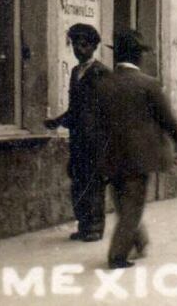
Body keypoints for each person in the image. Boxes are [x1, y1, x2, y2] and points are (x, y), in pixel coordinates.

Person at [98, 30, 177, 268]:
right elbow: (167, 119)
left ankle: (139, 240)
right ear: (138, 57)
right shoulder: (149, 84)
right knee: (133, 205)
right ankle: (117, 255)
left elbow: (93, 122)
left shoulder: (103, 82)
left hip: (111, 154)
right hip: (140, 156)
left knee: (121, 201)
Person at [45, 24, 111, 242]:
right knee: (78, 182)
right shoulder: (75, 72)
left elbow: (106, 111)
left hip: (95, 141)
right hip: (78, 140)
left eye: (83, 45)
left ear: (93, 46)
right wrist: (58, 121)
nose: (78, 49)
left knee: (94, 184)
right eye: (74, 44)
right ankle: (83, 225)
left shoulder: (101, 73)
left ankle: (95, 227)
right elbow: (75, 109)